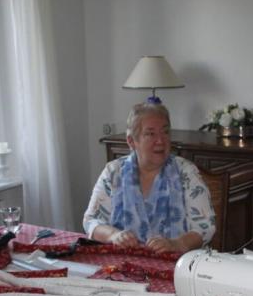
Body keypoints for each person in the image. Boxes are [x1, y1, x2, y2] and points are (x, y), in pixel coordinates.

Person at [83, 103, 215, 253]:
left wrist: (176, 244)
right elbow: (91, 221)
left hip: (177, 266)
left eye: (165, 132)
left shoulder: (186, 172)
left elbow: (205, 226)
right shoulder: (114, 172)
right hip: (122, 265)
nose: (160, 140)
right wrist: (114, 235)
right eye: (151, 134)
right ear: (132, 141)